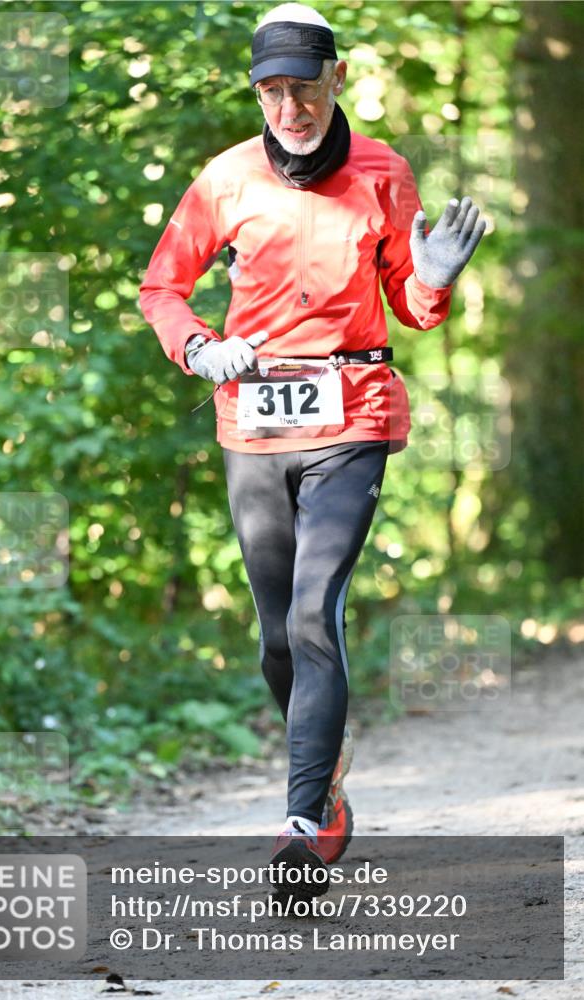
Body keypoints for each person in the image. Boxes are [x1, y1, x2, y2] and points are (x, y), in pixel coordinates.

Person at [139, 2, 485, 897]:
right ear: (256, 93)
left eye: (304, 87)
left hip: (353, 413)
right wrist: (199, 345)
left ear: (337, 78)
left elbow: (410, 303)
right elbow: (162, 288)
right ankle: (325, 776)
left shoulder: (382, 173)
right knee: (273, 640)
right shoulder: (223, 179)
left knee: (311, 610)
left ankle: (299, 820)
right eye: (272, 92)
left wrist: (435, 279)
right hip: (253, 420)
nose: (289, 108)